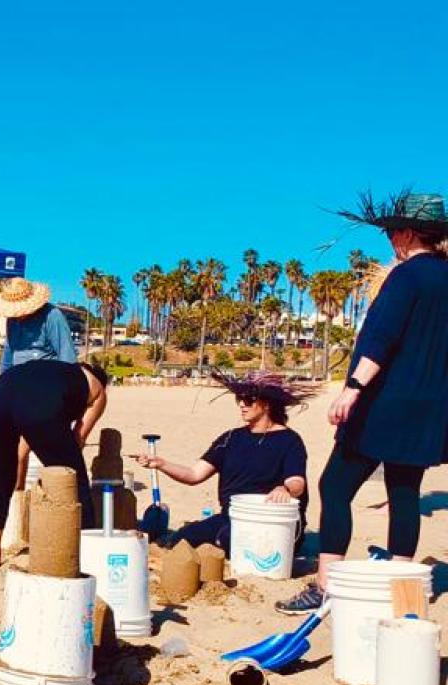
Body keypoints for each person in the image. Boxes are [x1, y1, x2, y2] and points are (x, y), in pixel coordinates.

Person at [278, 191, 448, 614]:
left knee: (335, 486)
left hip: (384, 404)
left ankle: (324, 587)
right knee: (405, 490)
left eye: (393, 232)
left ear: (409, 233)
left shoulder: (406, 277)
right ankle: (402, 592)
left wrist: (353, 387)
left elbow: (381, 338)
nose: (390, 240)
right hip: (429, 408)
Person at [134, 370, 314, 555]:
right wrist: (161, 464)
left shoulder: (290, 440)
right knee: (181, 539)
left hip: (272, 522)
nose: (242, 405)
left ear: (267, 404)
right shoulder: (230, 438)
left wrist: (285, 489)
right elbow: (194, 475)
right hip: (231, 517)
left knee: (232, 540)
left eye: (249, 400)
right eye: (239, 400)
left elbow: (297, 482)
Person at [0, 360, 109, 569]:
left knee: (0, 476)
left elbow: (25, 441)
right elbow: (78, 438)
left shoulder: (55, 372)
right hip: (38, 407)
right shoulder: (98, 390)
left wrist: (20, 472)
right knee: (74, 479)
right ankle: (86, 551)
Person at [0, 277, 77, 489]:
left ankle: (16, 499)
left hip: (44, 393)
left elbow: (68, 360)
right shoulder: (12, 321)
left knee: (21, 452)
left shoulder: (52, 317)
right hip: (16, 392)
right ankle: (15, 499)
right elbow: (8, 359)